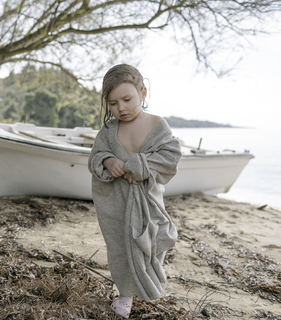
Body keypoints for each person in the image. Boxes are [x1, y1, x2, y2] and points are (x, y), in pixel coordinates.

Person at [88, 64, 182, 318]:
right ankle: (125, 295)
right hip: (117, 200)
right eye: (113, 103)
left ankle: (152, 274)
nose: (121, 108)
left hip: (147, 198)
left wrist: (139, 165)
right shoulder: (108, 131)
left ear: (143, 92)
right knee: (120, 247)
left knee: (157, 236)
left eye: (127, 99)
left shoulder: (157, 124)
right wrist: (108, 161)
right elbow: (95, 157)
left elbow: (171, 156)